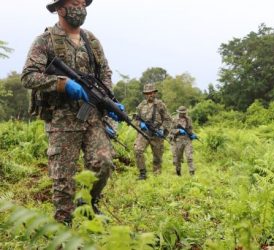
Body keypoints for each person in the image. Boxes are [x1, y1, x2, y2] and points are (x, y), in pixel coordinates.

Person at [21, 0, 123, 225]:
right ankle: (63, 223)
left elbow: (105, 72)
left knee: (104, 161)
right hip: (61, 118)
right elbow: (28, 76)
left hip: (92, 114)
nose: (80, 7)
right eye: (74, 3)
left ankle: (88, 204)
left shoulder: (91, 40)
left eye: (82, 3)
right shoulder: (45, 40)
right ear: (60, 8)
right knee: (63, 177)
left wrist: (109, 101)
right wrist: (62, 84)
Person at [134, 83, 171, 180]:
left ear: (154, 93)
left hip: (157, 133)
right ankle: (142, 173)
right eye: (147, 93)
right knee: (138, 150)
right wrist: (140, 124)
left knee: (157, 157)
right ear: (145, 94)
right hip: (144, 133)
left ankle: (157, 176)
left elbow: (168, 119)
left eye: (151, 93)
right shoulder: (141, 105)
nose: (149, 95)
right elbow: (136, 119)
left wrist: (162, 129)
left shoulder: (160, 105)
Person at [169, 106, 197, 176]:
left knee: (189, 157)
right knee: (178, 158)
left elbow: (190, 129)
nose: (183, 114)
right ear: (178, 112)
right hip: (178, 140)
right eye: (182, 113)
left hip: (187, 140)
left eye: (184, 113)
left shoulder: (188, 119)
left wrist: (192, 135)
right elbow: (171, 130)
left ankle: (192, 173)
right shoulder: (174, 119)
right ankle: (178, 172)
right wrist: (178, 130)